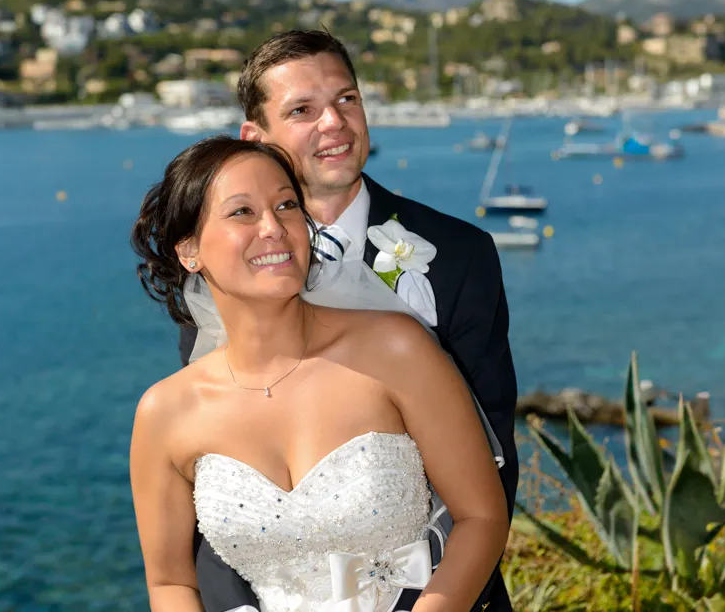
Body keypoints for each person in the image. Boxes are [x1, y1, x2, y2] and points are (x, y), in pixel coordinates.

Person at [180, 30, 520, 612]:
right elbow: (214, 481)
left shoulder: (460, 255)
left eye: (347, 99)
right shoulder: (223, 274)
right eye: (303, 110)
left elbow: (494, 467)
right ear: (254, 137)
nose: (334, 123)